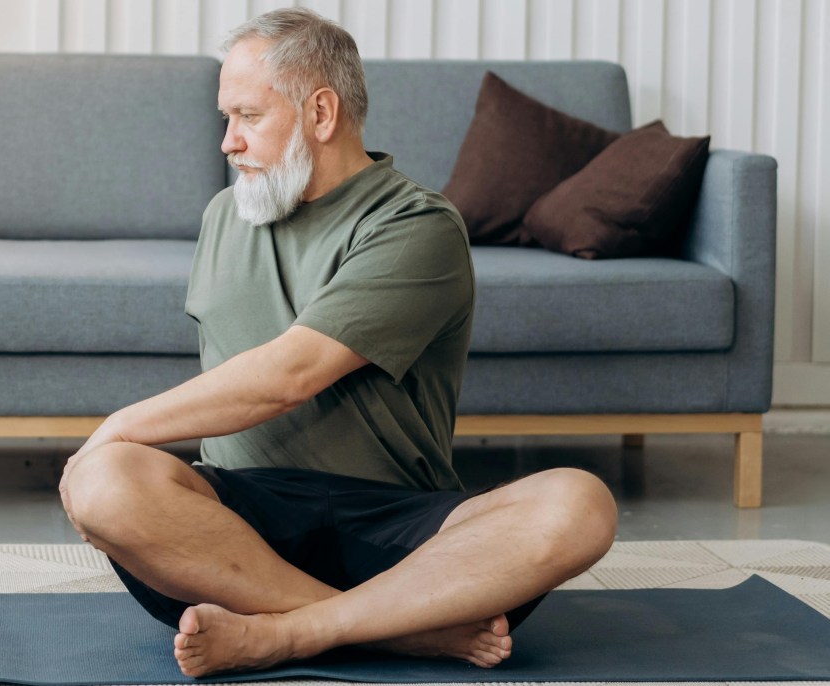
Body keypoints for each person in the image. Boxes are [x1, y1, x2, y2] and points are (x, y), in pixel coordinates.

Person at [59, 7, 617, 678]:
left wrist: (111, 429)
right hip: (236, 534)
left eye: (248, 117)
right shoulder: (225, 215)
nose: (227, 143)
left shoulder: (416, 224)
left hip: (399, 531)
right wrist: (106, 463)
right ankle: (398, 632)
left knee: (578, 503)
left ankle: (293, 633)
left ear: (320, 114)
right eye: (225, 119)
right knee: (106, 483)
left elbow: (289, 373)